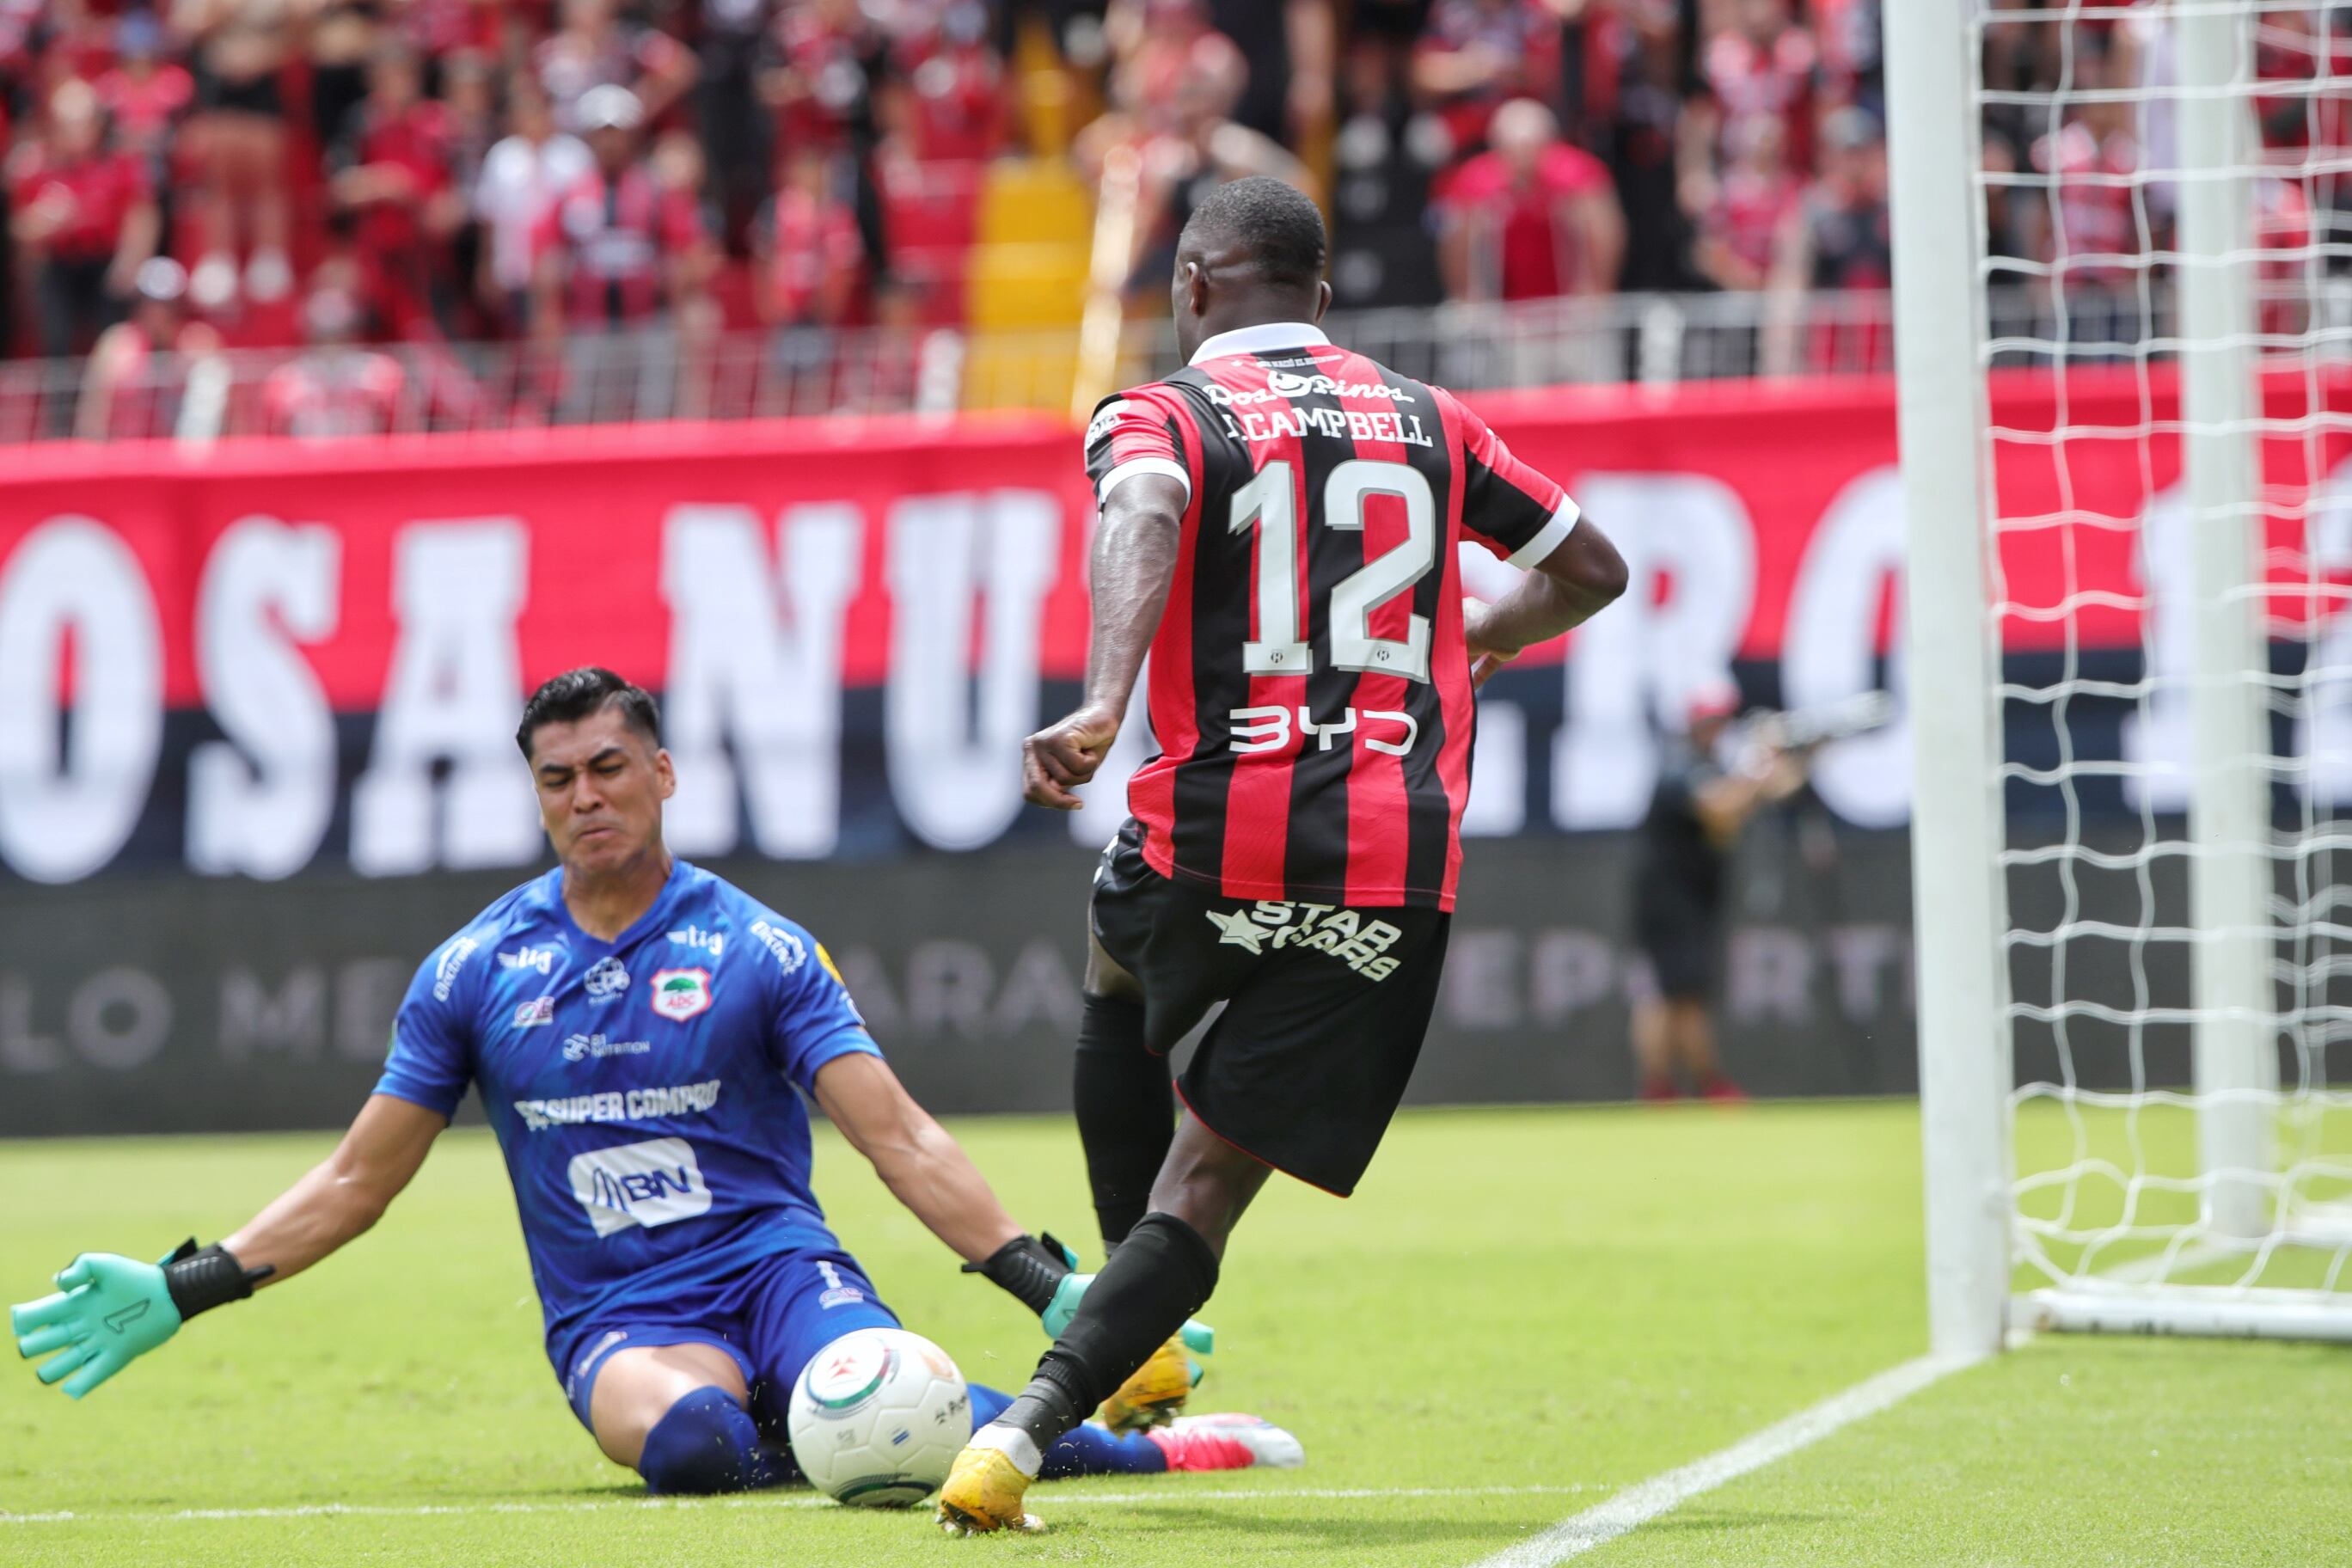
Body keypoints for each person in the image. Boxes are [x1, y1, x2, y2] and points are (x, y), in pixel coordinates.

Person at [8, 668, 1298, 1498]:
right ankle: (858, 1426)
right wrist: (189, 1286)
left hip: (783, 1275)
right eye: (558, 780)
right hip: (623, 1318)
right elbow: (359, 1179)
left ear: (663, 773)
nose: (586, 799)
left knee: (876, 1399)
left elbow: (895, 1137)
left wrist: (1055, 1286)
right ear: (536, 797)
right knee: (695, 1452)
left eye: (610, 769)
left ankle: (1131, 1442)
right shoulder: (475, 969)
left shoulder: (759, 947)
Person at [935, 176, 1628, 1533]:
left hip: (1207, 827)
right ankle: (1027, 1432)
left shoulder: (1164, 410)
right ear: (1319, 300)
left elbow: (1136, 511)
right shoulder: (1434, 421)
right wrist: (1480, 633)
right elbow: (1591, 569)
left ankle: (1109, 1339)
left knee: (1116, 974)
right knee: (1208, 1186)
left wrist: (1103, 696)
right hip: (1389, 854)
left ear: (1191, 287)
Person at [1627, 684, 1804, 1103]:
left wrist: (1798, 760)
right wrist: (1759, 773)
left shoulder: (1707, 769)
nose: (1719, 730)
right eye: (1712, 723)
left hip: (1689, 898)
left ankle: (1664, 1089)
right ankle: (1704, 1087)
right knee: (1680, 994)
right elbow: (1721, 809)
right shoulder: (1680, 768)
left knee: (1671, 993)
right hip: (1670, 900)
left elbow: (1762, 795)